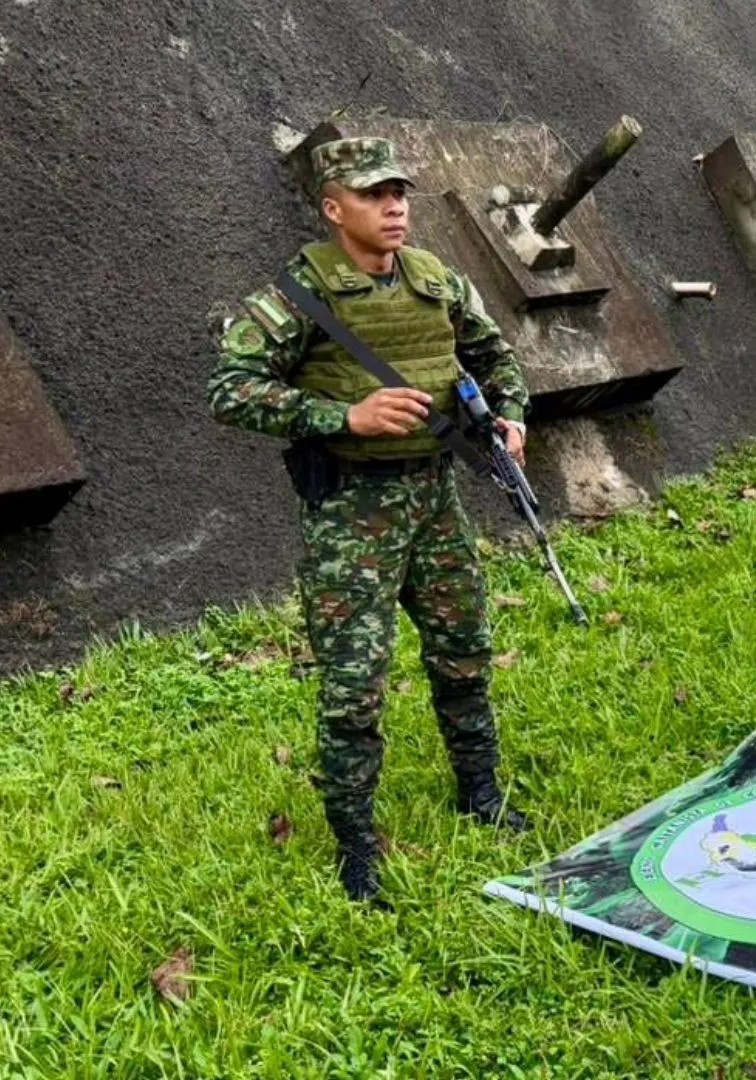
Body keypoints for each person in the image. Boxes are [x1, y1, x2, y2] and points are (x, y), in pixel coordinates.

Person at [206, 137, 532, 904]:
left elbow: (496, 357)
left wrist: (511, 417)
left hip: (435, 495)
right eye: (373, 195)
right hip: (353, 511)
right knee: (354, 683)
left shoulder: (436, 280)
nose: (394, 207)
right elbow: (230, 388)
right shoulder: (298, 295)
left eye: (399, 193)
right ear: (333, 207)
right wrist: (342, 414)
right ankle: (356, 845)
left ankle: (480, 794)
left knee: (464, 651)